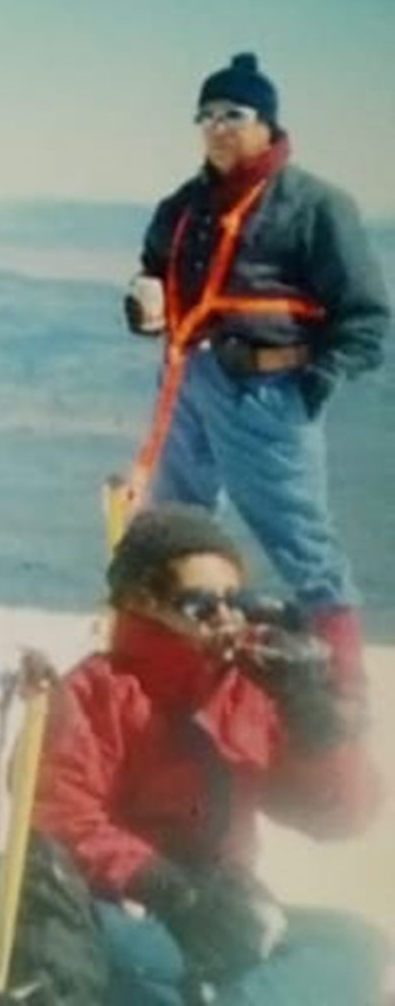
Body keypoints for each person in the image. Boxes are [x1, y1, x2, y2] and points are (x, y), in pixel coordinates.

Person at [34, 505, 385, 1004]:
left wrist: (315, 724)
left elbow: (341, 818)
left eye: (235, 601)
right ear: (143, 602)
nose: (226, 619)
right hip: (125, 907)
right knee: (153, 969)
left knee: (357, 947)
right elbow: (58, 816)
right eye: (201, 605)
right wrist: (167, 888)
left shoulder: (243, 691)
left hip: (220, 905)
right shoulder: (97, 691)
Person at [126, 52, 387, 694]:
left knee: (297, 531)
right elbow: (154, 269)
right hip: (189, 384)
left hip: (268, 391)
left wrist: (308, 385)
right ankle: (181, 659)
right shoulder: (185, 206)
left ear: (266, 123)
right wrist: (144, 304)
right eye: (206, 115)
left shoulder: (315, 206)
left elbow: (366, 317)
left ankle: (344, 680)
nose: (217, 127)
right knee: (179, 523)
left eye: (233, 115)